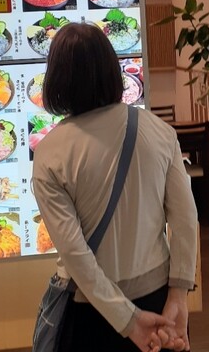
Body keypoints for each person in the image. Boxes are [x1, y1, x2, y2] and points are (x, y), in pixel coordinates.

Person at [31, 23, 198, 352]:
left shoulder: (50, 153)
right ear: (112, 68)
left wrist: (128, 321)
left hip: (90, 311)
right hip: (159, 300)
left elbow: (75, 254)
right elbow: (186, 219)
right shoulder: (158, 131)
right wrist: (178, 296)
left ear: (57, 79)